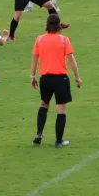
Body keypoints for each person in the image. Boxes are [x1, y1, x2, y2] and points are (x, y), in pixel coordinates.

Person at [31, 14, 82, 147]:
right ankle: (58, 141)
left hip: (45, 79)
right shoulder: (64, 40)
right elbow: (71, 60)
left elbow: (35, 59)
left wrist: (32, 76)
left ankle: (39, 133)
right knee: (61, 110)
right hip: (61, 79)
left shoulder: (40, 39)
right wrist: (77, 77)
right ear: (59, 25)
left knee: (44, 104)